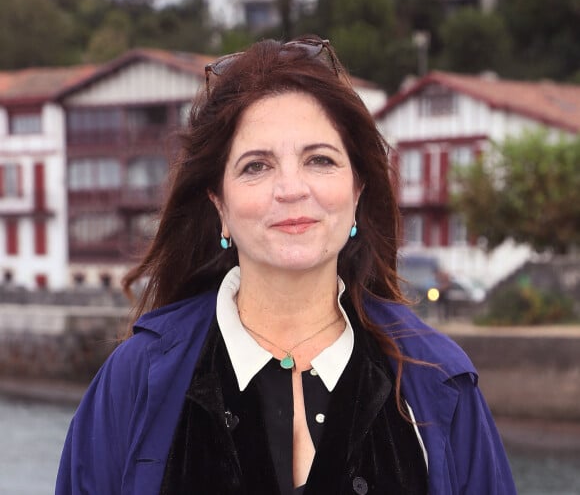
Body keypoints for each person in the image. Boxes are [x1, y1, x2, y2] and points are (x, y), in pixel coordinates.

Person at [56, 35, 516, 494]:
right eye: (256, 166)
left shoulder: (437, 380)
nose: (291, 188)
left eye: (320, 160)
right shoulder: (136, 380)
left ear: (357, 192)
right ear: (220, 205)